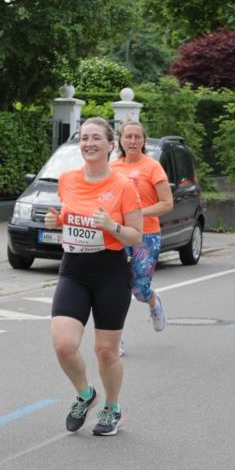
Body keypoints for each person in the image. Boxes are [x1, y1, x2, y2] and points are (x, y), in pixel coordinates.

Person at [45, 118, 142, 437]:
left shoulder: (123, 186)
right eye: (84, 138)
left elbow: (135, 236)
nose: (89, 143)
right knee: (64, 345)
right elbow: (68, 217)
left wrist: (111, 226)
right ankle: (86, 394)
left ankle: (112, 407)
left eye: (96, 138)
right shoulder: (68, 179)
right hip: (73, 269)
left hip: (110, 272)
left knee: (105, 351)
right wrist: (56, 220)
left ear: (110, 144)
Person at [111, 120, 173, 353]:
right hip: (118, 234)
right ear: (121, 140)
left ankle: (153, 301)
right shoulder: (113, 168)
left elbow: (167, 203)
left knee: (139, 287)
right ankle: (116, 338)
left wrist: (136, 213)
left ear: (144, 141)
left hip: (146, 235)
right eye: (128, 137)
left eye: (138, 137)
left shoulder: (152, 167)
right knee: (116, 287)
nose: (133, 141)